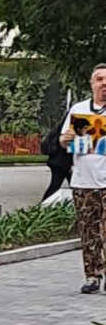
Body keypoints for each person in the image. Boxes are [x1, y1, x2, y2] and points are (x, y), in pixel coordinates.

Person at [60, 62, 106, 293]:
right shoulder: (80, 110)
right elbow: (62, 140)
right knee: (89, 231)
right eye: (99, 80)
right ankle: (92, 275)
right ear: (92, 83)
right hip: (83, 181)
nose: (104, 84)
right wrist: (67, 139)